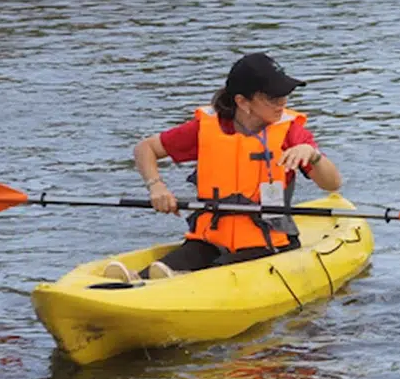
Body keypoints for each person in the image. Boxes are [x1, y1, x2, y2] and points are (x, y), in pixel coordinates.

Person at [104, 53, 343, 281]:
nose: (282, 104)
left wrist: (313, 156)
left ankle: (172, 284)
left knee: (214, 272)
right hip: (209, 240)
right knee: (165, 268)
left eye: (284, 96)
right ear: (242, 101)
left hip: (269, 244)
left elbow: (332, 183)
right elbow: (145, 149)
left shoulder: (291, 132)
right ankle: (135, 283)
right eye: (273, 98)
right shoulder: (206, 128)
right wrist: (156, 187)